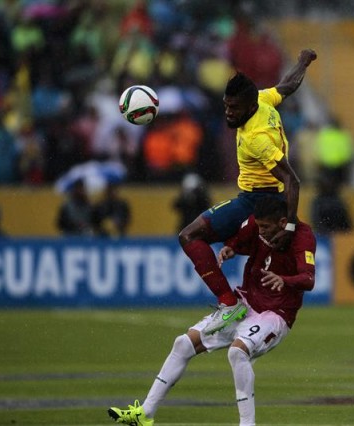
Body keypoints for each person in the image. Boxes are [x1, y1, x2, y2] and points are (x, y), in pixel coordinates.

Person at [108, 197, 316, 426]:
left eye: (266, 227)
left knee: (237, 352)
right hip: (245, 303)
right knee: (183, 344)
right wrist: (231, 249)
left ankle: (248, 424)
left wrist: (284, 280)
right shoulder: (257, 224)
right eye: (260, 226)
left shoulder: (303, 236)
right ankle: (145, 413)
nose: (262, 231)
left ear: (283, 222)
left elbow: (308, 279)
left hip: (275, 313)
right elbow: (241, 240)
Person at [178, 48, 317, 336]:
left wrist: (290, 224)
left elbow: (293, 181)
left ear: (250, 106)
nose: (229, 113)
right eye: (226, 106)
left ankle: (230, 304)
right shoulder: (264, 100)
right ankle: (245, 307)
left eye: (234, 108)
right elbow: (288, 85)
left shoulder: (257, 138)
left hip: (259, 199)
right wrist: (302, 61)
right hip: (260, 197)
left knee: (189, 236)